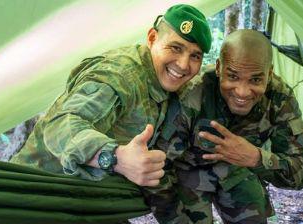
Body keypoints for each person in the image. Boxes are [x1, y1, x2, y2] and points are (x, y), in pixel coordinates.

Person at [11, 5, 212, 191]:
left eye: (195, 56)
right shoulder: (119, 76)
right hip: (32, 190)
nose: (184, 65)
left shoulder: (165, 78)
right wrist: (116, 158)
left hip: (80, 193)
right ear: (152, 38)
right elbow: (60, 126)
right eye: (175, 48)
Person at [149, 29, 303, 224]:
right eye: (233, 77)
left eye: (255, 80)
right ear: (219, 68)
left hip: (238, 171)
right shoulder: (193, 94)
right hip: (188, 172)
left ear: (269, 74)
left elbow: (302, 170)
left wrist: (255, 157)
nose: (242, 92)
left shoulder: (279, 98)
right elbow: (157, 169)